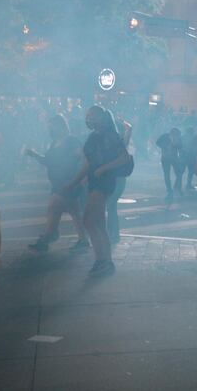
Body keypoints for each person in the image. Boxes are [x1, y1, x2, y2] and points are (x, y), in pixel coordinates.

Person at [64, 106, 128, 277]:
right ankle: (104, 261)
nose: (89, 119)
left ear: (101, 117)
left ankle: (104, 260)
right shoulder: (95, 136)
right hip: (94, 181)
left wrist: (102, 169)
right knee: (96, 222)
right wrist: (75, 182)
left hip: (104, 182)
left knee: (90, 221)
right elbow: (87, 164)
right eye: (88, 116)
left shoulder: (109, 135)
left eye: (92, 116)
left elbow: (123, 158)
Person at [26, 114, 89, 253]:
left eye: (51, 126)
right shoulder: (54, 143)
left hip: (69, 181)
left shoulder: (72, 140)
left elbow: (82, 156)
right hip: (58, 181)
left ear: (60, 126)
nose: (49, 129)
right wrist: (34, 154)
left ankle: (48, 237)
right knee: (74, 211)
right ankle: (83, 240)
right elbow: (48, 161)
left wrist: (82, 178)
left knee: (53, 207)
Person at [106, 115, 132, 244]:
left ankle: (113, 233)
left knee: (110, 205)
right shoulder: (118, 141)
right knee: (111, 205)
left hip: (117, 178)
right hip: (116, 178)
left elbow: (129, 130)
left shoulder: (119, 142)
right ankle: (112, 233)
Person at [156, 127, 184, 201]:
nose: (176, 137)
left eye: (177, 136)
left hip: (174, 158)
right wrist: (164, 146)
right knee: (167, 174)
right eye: (175, 135)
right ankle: (169, 191)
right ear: (171, 134)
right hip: (165, 158)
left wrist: (176, 144)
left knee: (179, 174)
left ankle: (177, 188)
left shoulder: (178, 139)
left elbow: (180, 147)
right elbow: (157, 142)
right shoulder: (165, 136)